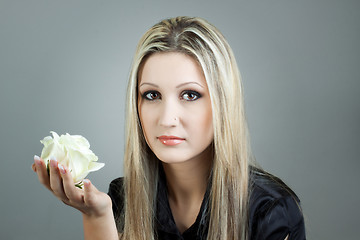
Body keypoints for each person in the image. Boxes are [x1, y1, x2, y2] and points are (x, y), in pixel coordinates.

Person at [32, 16, 305, 240]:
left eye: (190, 95)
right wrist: (96, 216)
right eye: (152, 95)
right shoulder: (122, 198)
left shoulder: (269, 211)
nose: (166, 119)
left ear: (224, 103)